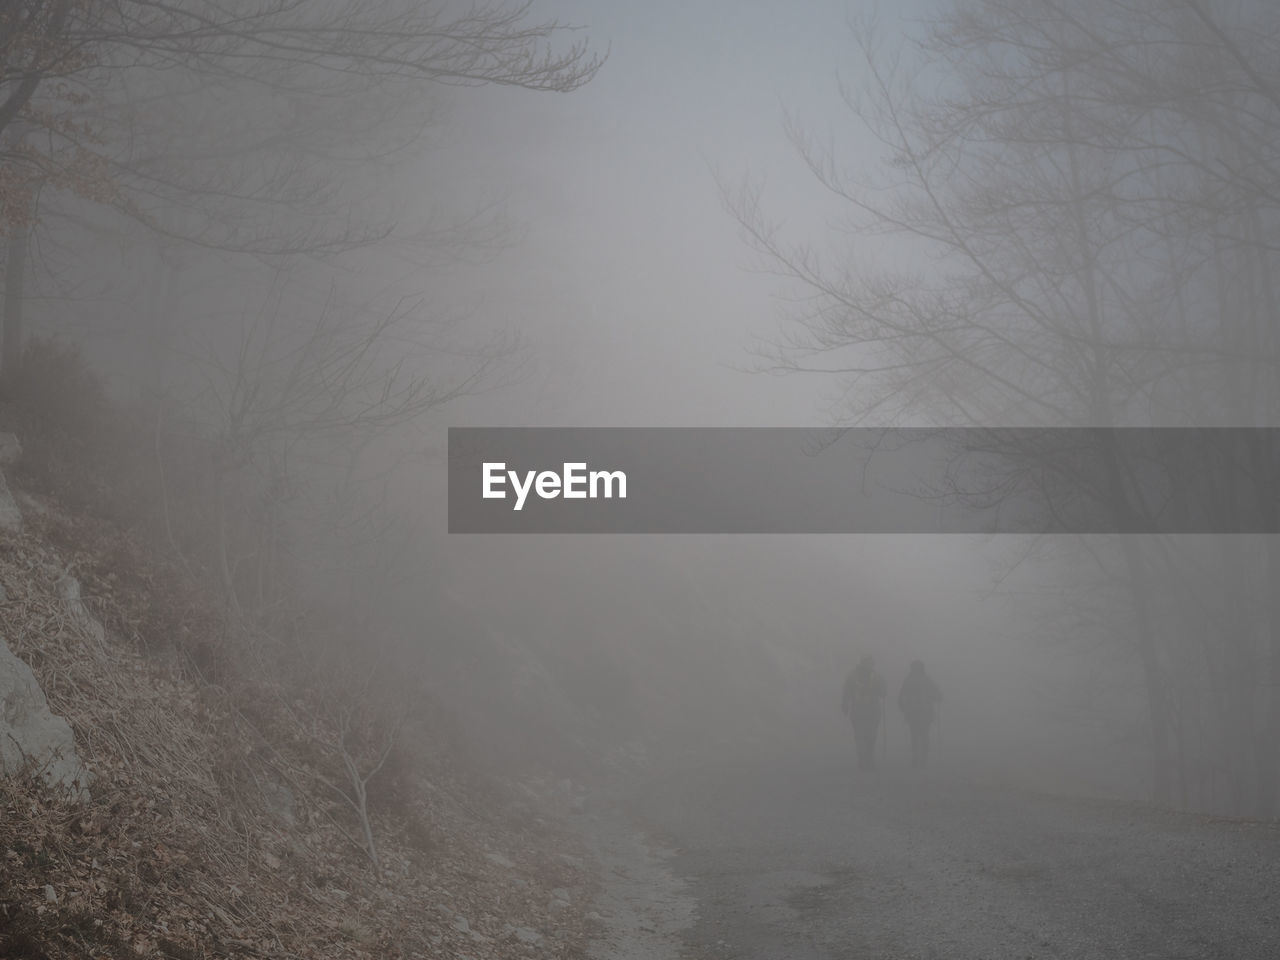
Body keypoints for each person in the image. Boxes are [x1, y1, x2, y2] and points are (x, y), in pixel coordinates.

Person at [841, 655, 886, 770]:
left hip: (867, 710)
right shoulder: (875, 677)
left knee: (868, 736)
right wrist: (845, 704)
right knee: (863, 735)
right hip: (864, 710)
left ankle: (866, 758)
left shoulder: (854, 676)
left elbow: (882, 692)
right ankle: (864, 759)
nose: (870, 665)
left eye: (871, 663)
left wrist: (845, 705)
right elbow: (847, 692)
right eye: (869, 663)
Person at [898, 659, 942, 767]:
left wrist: (904, 708)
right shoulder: (926, 680)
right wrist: (936, 697)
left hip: (914, 713)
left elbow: (901, 698)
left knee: (915, 736)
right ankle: (923, 759)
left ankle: (916, 758)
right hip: (924, 713)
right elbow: (937, 695)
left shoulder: (908, 681)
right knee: (924, 735)